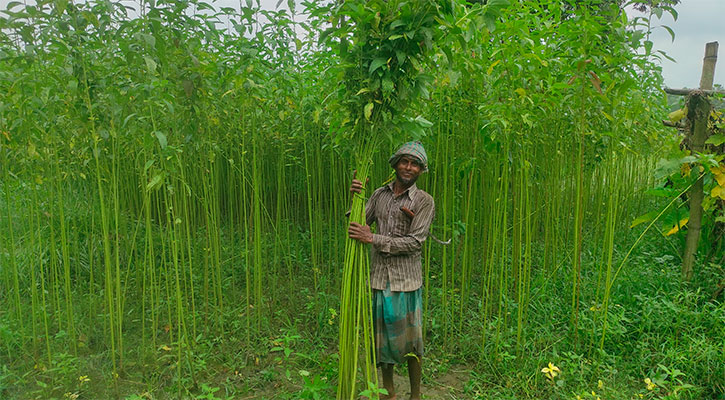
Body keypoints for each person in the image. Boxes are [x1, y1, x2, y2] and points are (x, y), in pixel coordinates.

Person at [348, 141, 435, 400]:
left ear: (421, 169)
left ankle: (416, 395)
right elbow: (356, 224)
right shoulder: (378, 195)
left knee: (412, 342)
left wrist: (373, 239)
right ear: (396, 163)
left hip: (406, 282)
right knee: (382, 340)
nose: (409, 168)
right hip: (379, 279)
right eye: (405, 161)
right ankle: (388, 391)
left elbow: (415, 242)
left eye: (415, 164)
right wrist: (354, 195)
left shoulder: (424, 201)